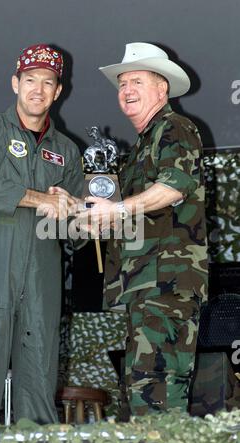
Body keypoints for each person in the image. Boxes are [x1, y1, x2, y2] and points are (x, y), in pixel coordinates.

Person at [0, 43, 84, 424]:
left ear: (58, 91)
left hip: (43, 277)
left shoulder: (67, 150)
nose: (38, 90)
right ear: (15, 83)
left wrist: (84, 210)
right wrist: (40, 198)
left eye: (48, 83)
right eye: (30, 80)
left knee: (40, 384)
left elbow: (74, 229)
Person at [85, 42, 208, 416]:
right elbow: (125, 213)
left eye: (136, 81)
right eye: (122, 84)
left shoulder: (175, 127)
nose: (126, 91)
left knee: (158, 397)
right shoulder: (143, 144)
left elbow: (173, 186)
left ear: (162, 88)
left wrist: (118, 208)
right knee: (143, 394)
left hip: (166, 286)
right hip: (146, 286)